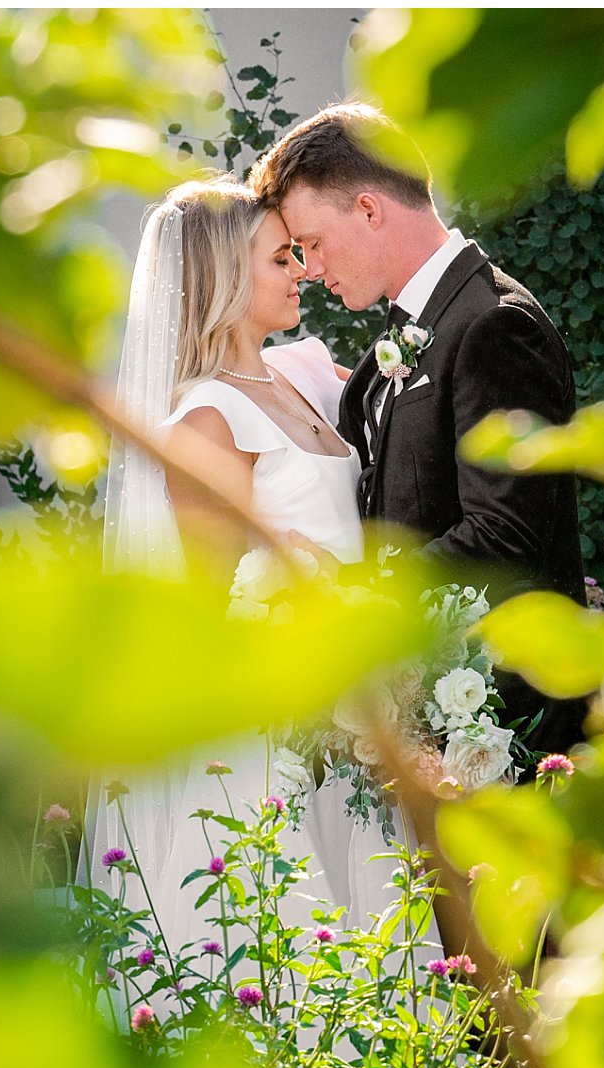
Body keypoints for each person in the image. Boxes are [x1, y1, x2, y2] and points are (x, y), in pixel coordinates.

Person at [89, 178, 410, 952]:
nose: (300, 268)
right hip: (278, 742)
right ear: (226, 278)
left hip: (351, 710)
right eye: (280, 257)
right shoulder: (206, 418)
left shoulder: (300, 373)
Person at [248, 103, 585, 756]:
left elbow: (502, 534)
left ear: (370, 211)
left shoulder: (494, 325)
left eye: (312, 243)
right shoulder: (408, 337)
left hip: (508, 726)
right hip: (429, 722)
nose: (309, 268)